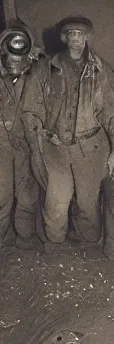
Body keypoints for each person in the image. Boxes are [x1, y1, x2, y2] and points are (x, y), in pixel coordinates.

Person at [22, 16, 114, 257]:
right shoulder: (46, 67)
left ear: (87, 37)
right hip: (56, 147)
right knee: (56, 199)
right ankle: (55, 243)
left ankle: (88, 243)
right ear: (64, 38)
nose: (76, 39)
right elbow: (32, 109)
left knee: (87, 203)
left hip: (89, 147)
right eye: (71, 34)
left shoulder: (100, 69)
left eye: (81, 34)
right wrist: (39, 137)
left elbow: (111, 113)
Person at [0, 22, 43, 249]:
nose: (15, 66)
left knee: (27, 192)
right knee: (2, 194)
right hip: (1, 144)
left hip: (25, 142)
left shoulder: (33, 77)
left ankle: (25, 237)